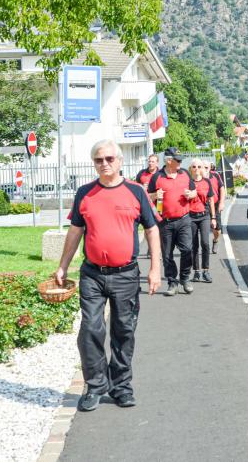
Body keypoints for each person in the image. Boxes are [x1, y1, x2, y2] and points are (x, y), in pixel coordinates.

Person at [54, 139, 161, 412]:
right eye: (99, 160)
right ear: (94, 163)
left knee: (124, 331)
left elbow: (152, 230)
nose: (105, 164)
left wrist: (155, 268)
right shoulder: (84, 193)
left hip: (126, 274)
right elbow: (75, 232)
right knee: (90, 328)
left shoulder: (136, 192)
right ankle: (95, 385)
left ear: (120, 161)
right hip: (92, 275)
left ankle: (121, 387)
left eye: (110, 159)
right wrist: (63, 265)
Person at [147, 147, 197, 295]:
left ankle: (185, 278)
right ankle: (172, 282)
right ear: (169, 161)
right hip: (165, 222)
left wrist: (191, 194)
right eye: (178, 160)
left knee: (187, 250)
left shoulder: (185, 174)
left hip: (184, 219)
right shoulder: (157, 177)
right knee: (167, 254)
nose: (180, 162)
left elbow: (194, 191)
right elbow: (148, 197)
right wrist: (156, 194)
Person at [187, 158, 216, 283]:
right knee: (194, 245)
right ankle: (197, 272)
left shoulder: (207, 182)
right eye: (194, 167)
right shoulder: (187, 183)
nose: (197, 169)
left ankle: (206, 270)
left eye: (199, 166)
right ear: (191, 169)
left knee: (205, 243)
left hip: (204, 215)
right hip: (191, 216)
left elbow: (210, 200)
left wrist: (213, 217)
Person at [208, 161, 226, 254]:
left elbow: (222, 189)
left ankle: (215, 240)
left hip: (215, 204)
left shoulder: (215, 175)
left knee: (217, 229)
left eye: (207, 167)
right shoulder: (197, 177)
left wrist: (222, 202)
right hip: (203, 205)